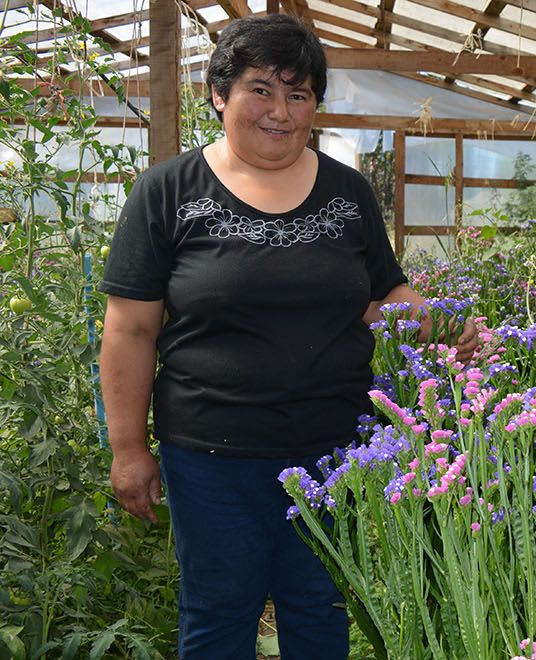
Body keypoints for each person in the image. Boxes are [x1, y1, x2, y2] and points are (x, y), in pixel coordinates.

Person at [98, 14, 477, 659]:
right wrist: (129, 448)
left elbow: (386, 294)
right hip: (211, 455)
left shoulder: (348, 192)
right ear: (219, 95)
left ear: (315, 107)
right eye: (260, 90)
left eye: (298, 94)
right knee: (218, 615)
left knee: (320, 609)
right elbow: (130, 329)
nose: (280, 111)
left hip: (335, 453)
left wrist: (438, 323)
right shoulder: (168, 193)